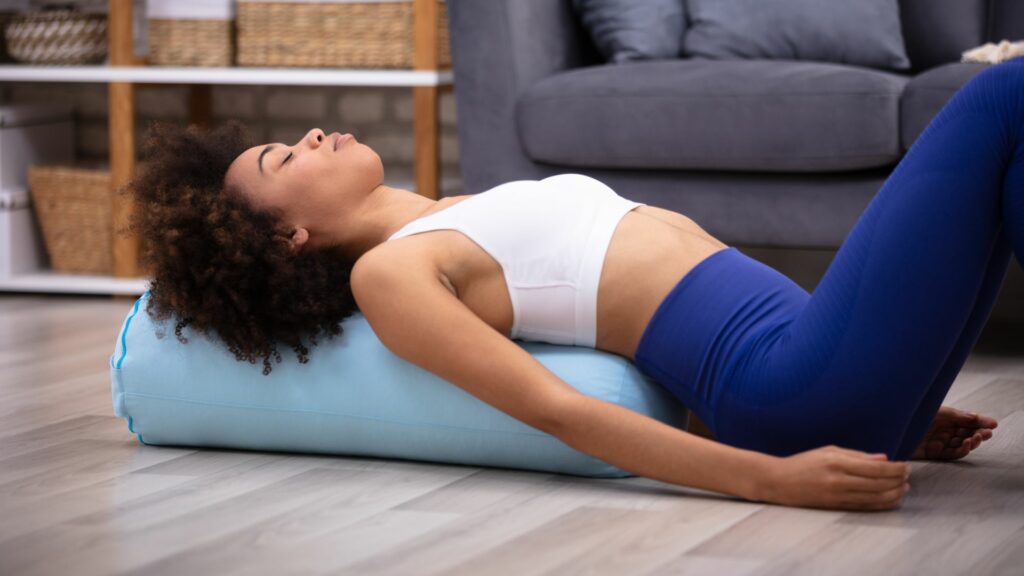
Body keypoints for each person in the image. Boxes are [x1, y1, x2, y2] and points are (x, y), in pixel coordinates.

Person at [126, 58, 1024, 513]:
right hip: (794, 392)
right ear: (290, 236)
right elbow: (563, 410)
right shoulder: (392, 275)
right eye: (286, 157)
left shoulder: (452, 214)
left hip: (825, 367)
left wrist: (894, 380)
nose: (315, 135)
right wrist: (772, 480)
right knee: (1003, 92)